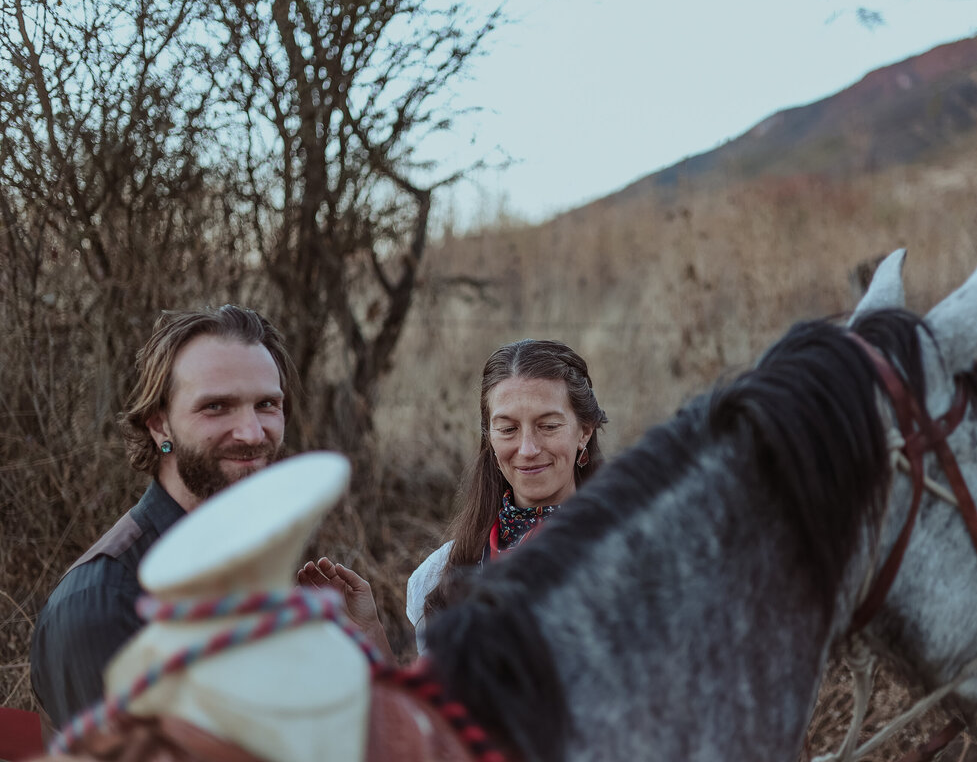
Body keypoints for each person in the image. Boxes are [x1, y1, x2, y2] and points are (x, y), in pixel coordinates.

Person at [30, 305, 296, 729]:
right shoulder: (102, 606)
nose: (251, 433)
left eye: (266, 404)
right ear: (160, 427)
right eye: (216, 407)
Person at [299, 338, 607, 656]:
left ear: (584, 430)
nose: (527, 449)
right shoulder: (439, 575)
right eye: (508, 428)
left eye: (548, 426)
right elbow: (427, 706)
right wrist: (367, 634)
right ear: (488, 435)